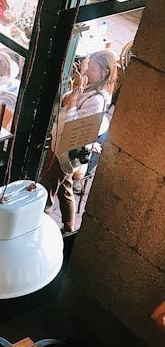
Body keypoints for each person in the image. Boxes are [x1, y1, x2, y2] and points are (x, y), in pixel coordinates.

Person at [40, 49, 116, 233]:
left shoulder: (98, 100)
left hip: (67, 149)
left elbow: (72, 123)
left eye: (92, 68)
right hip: (61, 144)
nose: (87, 70)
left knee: (49, 187)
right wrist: (74, 90)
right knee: (65, 187)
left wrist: (72, 101)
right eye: (88, 66)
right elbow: (67, 102)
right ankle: (69, 227)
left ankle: (40, 224)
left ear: (104, 73)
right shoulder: (88, 87)